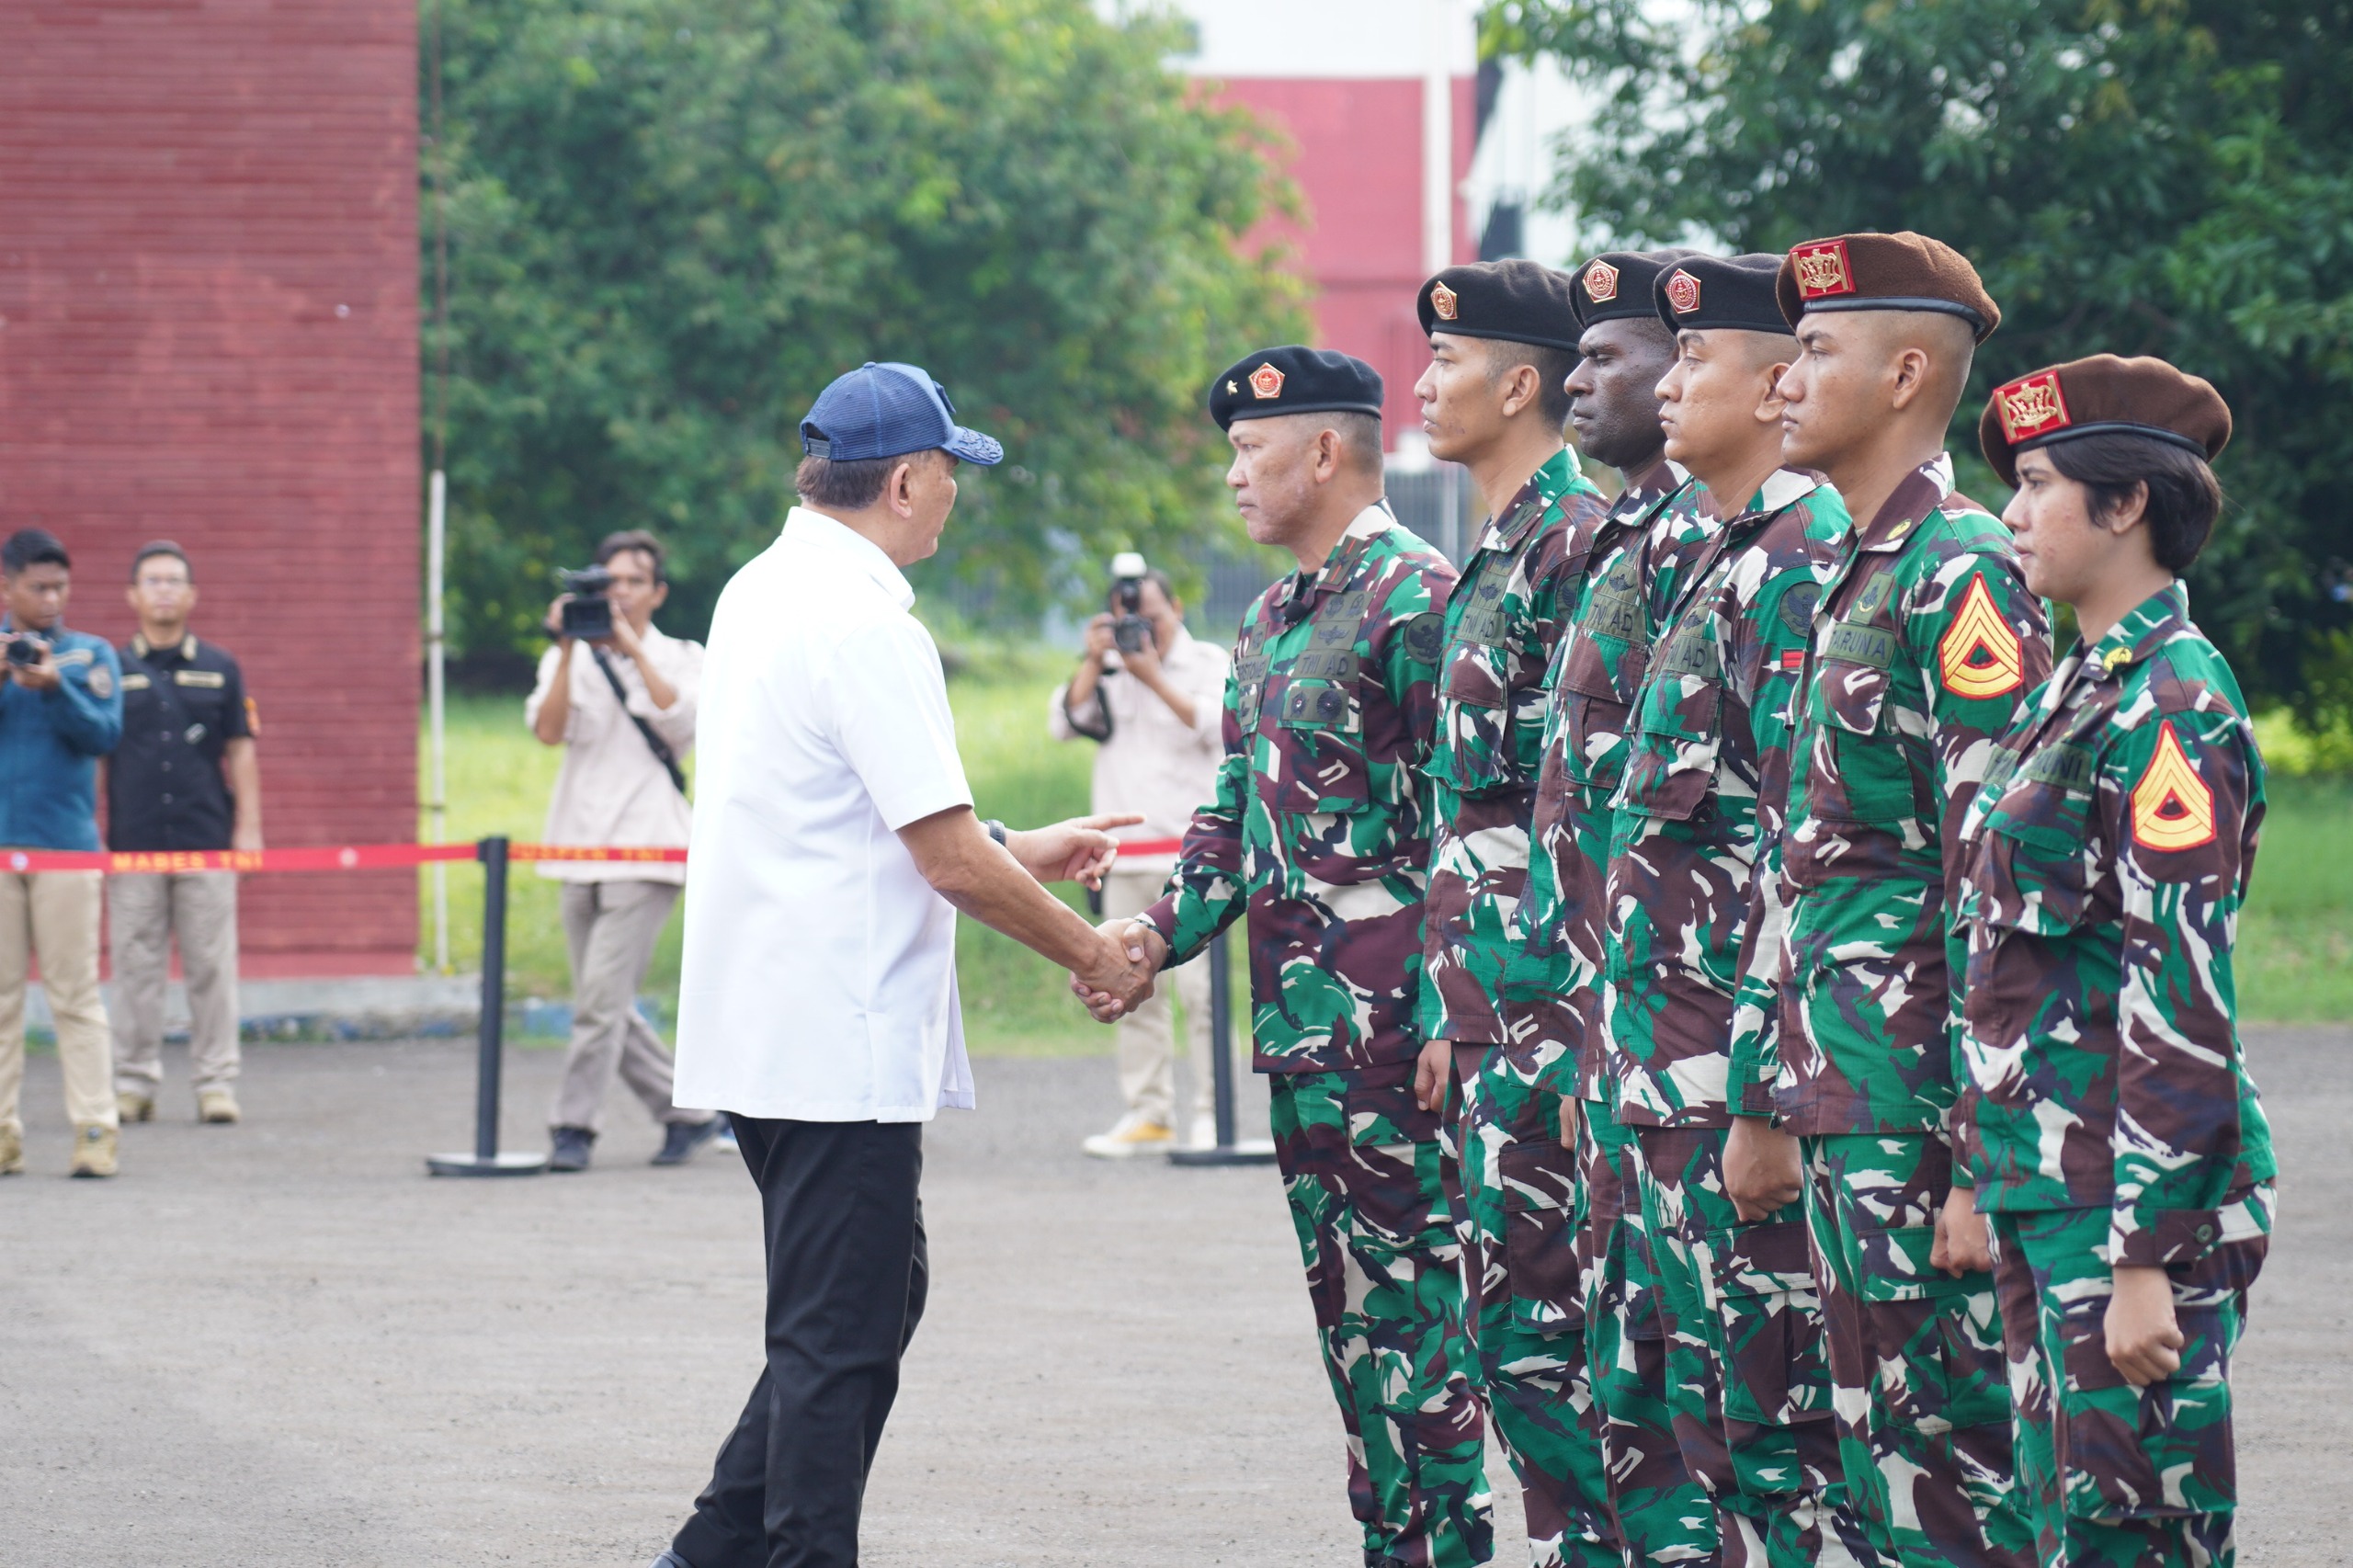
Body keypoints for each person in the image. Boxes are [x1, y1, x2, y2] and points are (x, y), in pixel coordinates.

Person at [654, 361, 1146, 1568]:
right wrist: (1093, 951)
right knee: (838, 1340)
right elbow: (944, 860)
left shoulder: (760, 590)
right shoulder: (866, 620)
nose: (952, 502)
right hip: (834, 1036)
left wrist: (1020, 846)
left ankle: (711, 1549)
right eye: (952, 479)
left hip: (768, 1027)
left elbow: (859, 821)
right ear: (913, 478)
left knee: (872, 1299)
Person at [1092, 347, 1485, 1568]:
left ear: (1326, 451)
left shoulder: (1419, 598)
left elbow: (1477, 820)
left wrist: (1452, 1009)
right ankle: (1393, 1546)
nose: (1234, 481)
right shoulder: (1274, 614)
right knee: (1349, 1324)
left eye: (1251, 454)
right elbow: (1234, 810)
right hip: (1307, 1036)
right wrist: (1154, 937)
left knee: (1420, 1320)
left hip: (1395, 1035)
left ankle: (1450, 1548)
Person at [1724, 232, 2047, 1568]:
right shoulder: (1846, 570)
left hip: (1921, 1120)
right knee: (1874, 1480)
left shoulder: (1963, 571)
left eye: (1814, 352)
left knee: (1957, 1490)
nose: (1784, 383)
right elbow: (1800, 865)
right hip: (1839, 1103)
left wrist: (1980, 1161)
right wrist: (1761, 1086)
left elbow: (2003, 882)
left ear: (1908, 372)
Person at [1959, 356, 2273, 1568]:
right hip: (2054, 1183)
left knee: (2134, 1533)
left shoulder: (2169, 706)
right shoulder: (2080, 691)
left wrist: (2147, 1252)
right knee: (2070, 1529)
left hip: (2123, 1203)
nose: (2012, 513)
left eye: (2037, 484)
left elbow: (2179, 989)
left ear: (2128, 502)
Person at [1610, 254, 1869, 1564]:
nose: (1666, 384)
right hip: (1667, 1078)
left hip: (1734, 1085)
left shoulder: (1796, 561)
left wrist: (1763, 1094)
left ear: (1777, 385)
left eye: (1694, 360)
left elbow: (1798, 847)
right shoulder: (1718, 555)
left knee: (1782, 1443)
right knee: (1701, 1430)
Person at [1407, 259, 1619, 1568]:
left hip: (1558, 1015)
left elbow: (1578, 818)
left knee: (1560, 1330)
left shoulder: (1575, 546)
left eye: (1447, 362)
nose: (1424, 384)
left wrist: (1534, 1018)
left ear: (1522, 382)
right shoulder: (1490, 554)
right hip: (1491, 1011)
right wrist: (1451, 1004)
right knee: (1508, 1325)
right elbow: (1467, 820)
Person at [1519, 247, 1717, 1568]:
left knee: (1733, 1417)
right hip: (1609, 1031)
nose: (1577, 382)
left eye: (1611, 358)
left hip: (1705, 1052)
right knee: (1624, 1385)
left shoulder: (1735, 548)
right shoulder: (1626, 540)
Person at [526, 527, 717, 1172]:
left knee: (599, 1002)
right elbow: (549, 733)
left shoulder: (685, 654)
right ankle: (687, 1113)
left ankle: (572, 1128)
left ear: (657, 592)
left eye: (634, 582)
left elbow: (680, 719)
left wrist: (630, 646)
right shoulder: (570, 653)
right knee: (601, 1002)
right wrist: (566, 648)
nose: (620, 593)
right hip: (577, 843)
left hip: (649, 844)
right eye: (610, 581)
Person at [1050, 559, 1228, 1155]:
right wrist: (1094, 659)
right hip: (1123, 859)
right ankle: (1149, 1112)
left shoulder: (1206, 662)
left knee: (1203, 995)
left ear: (1176, 609)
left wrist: (1151, 676)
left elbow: (1220, 727)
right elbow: (1064, 724)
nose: (1142, 631)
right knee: (1125, 982)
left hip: (1192, 857)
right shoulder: (1111, 667)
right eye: (1130, 621)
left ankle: (1212, 1112)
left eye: (1151, 617)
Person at [107, 540, 262, 1127]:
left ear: (192, 595)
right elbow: (99, 757)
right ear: (133, 595)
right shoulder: (113, 670)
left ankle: (216, 1081)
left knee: (211, 967)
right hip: (132, 844)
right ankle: (133, 1082)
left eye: (175, 580)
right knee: (135, 966)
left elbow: (241, 752)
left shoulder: (221, 668)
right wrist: (94, 835)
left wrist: (250, 830)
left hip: (206, 839)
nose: (164, 590)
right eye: (153, 580)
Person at [0, 528, 126, 1179]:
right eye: (38, 587)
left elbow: (106, 734)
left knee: (74, 993)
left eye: (61, 588)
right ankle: (3, 1133)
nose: (51, 601)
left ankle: (95, 1129)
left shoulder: (90, 654)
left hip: (66, 849)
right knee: (0, 999)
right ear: (7, 586)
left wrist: (56, 688)